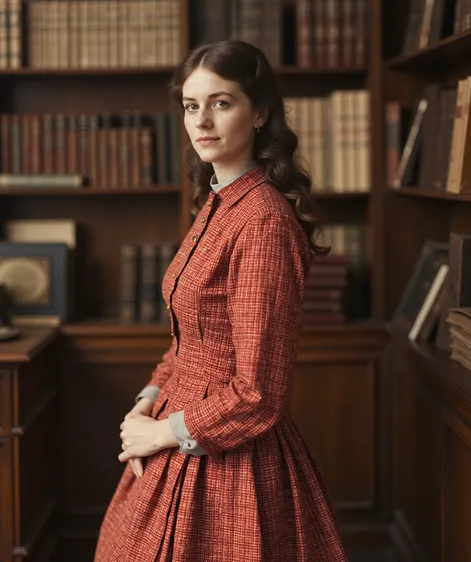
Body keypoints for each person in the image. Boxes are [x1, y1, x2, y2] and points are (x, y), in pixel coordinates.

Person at [94, 40, 347, 562]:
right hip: (172, 426)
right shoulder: (217, 202)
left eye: (221, 103)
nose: (202, 121)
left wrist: (162, 432)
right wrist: (148, 398)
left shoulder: (263, 222)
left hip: (229, 457)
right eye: (191, 106)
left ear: (259, 114)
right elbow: (192, 340)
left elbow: (258, 395)